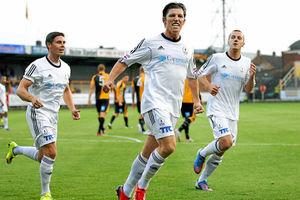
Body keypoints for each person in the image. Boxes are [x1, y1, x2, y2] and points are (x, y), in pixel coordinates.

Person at [103, 2, 204, 200]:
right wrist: (109, 79)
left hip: (172, 108)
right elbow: (125, 60)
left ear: (184, 21)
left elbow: (192, 76)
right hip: (153, 103)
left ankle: (124, 192)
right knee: (169, 146)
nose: (176, 19)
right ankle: (141, 190)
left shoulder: (187, 48)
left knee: (146, 154)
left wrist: (197, 101)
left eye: (180, 16)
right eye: (172, 15)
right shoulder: (150, 43)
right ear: (164, 19)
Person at [5, 32, 80, 200]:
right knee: (52, 152)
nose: (62, 45)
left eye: (64, 42)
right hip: (37, 113)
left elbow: (66, 89)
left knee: (43, 156)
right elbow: (20, 89)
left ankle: (15, 149)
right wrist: (32, 98)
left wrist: (72, 108)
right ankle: (45, 193)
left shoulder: (66, 68)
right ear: (49, 45)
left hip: (53, 116)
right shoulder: (37, 66)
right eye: (58, 42)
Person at [193, 30, 256, 191]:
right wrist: (208, 86)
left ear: (243, 43)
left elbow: (248, 90)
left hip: (233, 112)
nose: (236, 39)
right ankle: (201, 153)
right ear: (228, 41)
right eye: (233, 37)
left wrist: (252, 77)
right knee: (226, 142)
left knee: (222, 149)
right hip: (217, 108)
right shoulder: (217, 58)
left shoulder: (247, 63)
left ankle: (202, 181)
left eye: (239, 38)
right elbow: (198, 75)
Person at [88, 64, 110, 136]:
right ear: (104, 69)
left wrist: (89, 99)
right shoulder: (108, 76)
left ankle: (102, 128)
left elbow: (91, 88)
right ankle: (99, 131)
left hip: (98, 98)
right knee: (102, 114)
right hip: (105, 98)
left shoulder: (94, 77)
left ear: (98, 69)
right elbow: (112, 86)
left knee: (99, 114)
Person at [131, 66, 146, 134]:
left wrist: (133, 101)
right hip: (146, 100)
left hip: (138, 100)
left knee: (141, 114)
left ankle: (142, 128)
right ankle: (141, 125)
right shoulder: (147, 78)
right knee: (147, 114)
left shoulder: (135, 79)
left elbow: (133, 91)